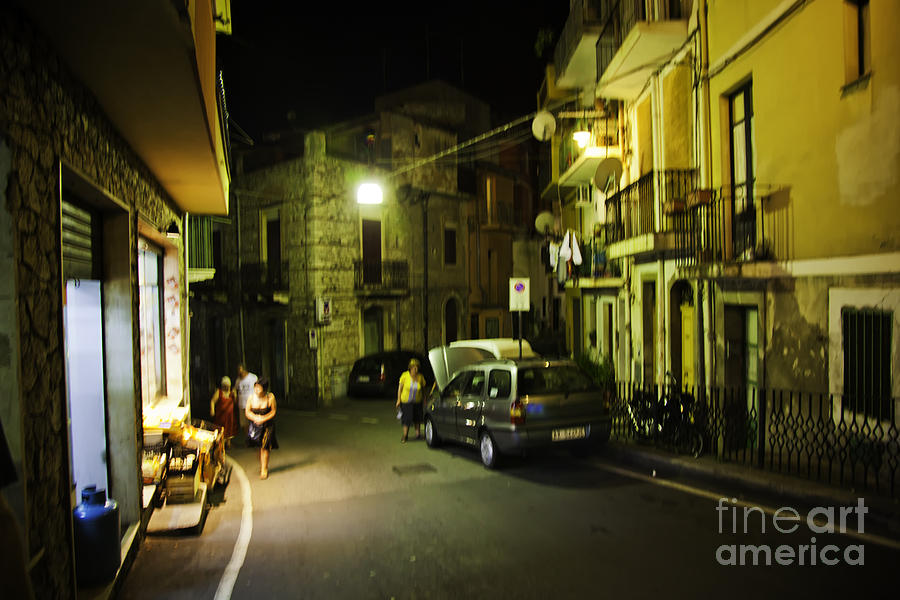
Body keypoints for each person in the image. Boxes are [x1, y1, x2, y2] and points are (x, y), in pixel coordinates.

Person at [245, 377, 278, 479]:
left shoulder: (270, 397)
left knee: (265, 447)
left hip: (268, 425)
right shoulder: (251, 398)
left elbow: (273, 411)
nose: (256, 390)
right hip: (255, 426)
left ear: (264, 389)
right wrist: (255, 418)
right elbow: (247, 411)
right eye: (255, 387)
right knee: (258, 447)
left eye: (259, 388)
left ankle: (264, 469)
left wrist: (263, 418)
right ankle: (262, 464)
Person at [396, 358, 427, 443]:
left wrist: (424, 399)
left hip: (417, 401)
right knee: (407, 419)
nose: (416, 369)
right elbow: (400, 388)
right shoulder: (405, 376)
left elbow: (424, 389)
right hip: (406, 402)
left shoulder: (420, 377)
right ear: (410, 368)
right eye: (414, 367)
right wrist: (398, 399)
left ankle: (418, 434)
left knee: (417, 418)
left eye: (417, 367)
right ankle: (405, 435)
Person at [210, 376, 238, 444]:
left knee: (229, 430)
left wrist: (235, 395)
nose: (226, 388)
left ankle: (228, 443)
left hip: (230, 417)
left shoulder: (232, 393)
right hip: (221, 416)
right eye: (225, 386)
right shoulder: (219, 392)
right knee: (221, 429)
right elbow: (213, 401)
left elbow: (235, 402)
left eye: (228, 386)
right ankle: (221, 443)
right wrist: (212, 410)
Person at [234, 364, 258, 435]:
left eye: (240, 370)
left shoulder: (253, 377)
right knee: (244, 424)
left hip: (252, 404)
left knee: (253, 422)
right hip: (242, 405)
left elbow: (258, 388)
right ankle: (248, 438)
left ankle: (255, 438)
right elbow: (235, 389)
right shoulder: (238, 380)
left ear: (244, 370)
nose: (239, 372)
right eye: (238, 371)